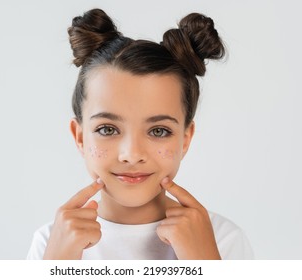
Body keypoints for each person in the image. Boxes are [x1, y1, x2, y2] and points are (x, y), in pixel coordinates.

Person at [27, 8, 253, 260]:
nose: (132, 154)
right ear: (80, 137)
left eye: (158, 131)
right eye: (107, 129)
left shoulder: (221, 239)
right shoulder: (51, 242)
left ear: (185, 139)